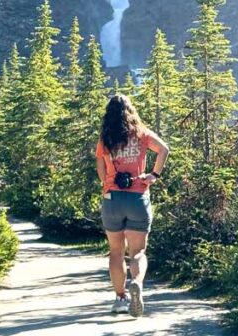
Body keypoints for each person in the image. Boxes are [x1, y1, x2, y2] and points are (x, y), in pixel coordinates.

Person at [95, 93, 169, 317]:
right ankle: (136, 283)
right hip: (137, 197)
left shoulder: (105, 139)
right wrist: (153, 175)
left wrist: (108, 183)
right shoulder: (141, 134)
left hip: (112, 199)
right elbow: (164, 149)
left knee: (116, 252)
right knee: (138, 251)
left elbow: (101, 170)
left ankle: (120, 299)